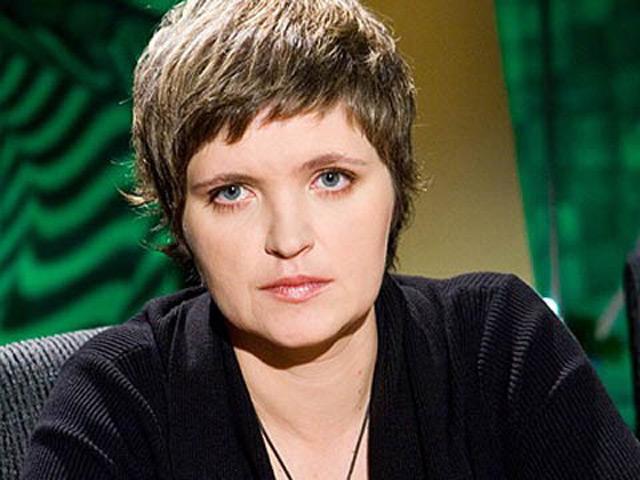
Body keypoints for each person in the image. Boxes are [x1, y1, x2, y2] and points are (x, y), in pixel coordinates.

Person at [22, 0, 640, 478]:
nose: (288, 239)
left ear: (395, 186)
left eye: (331, 179)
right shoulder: (119, 399)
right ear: (178, 217)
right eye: (232, 192)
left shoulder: (497, 344)